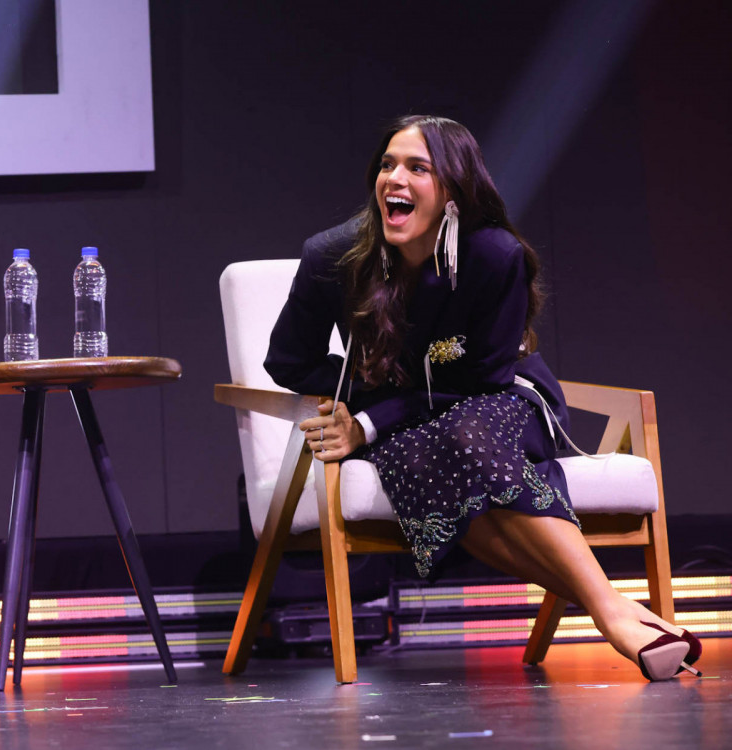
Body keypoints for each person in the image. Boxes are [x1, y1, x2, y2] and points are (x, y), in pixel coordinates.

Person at [265, 115, 699, 681]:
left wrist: (369, 422)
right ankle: (611, 608)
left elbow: (482, 380)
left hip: (502, 403)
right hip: (413, 430)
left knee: (466, 435)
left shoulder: (496, 257)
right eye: (387, 164)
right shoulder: (333, 257)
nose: (394, 178)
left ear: (453, 190)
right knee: (430, 457)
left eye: (417, 167)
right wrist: (364, 391)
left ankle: (610, 612)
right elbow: (288, 360)